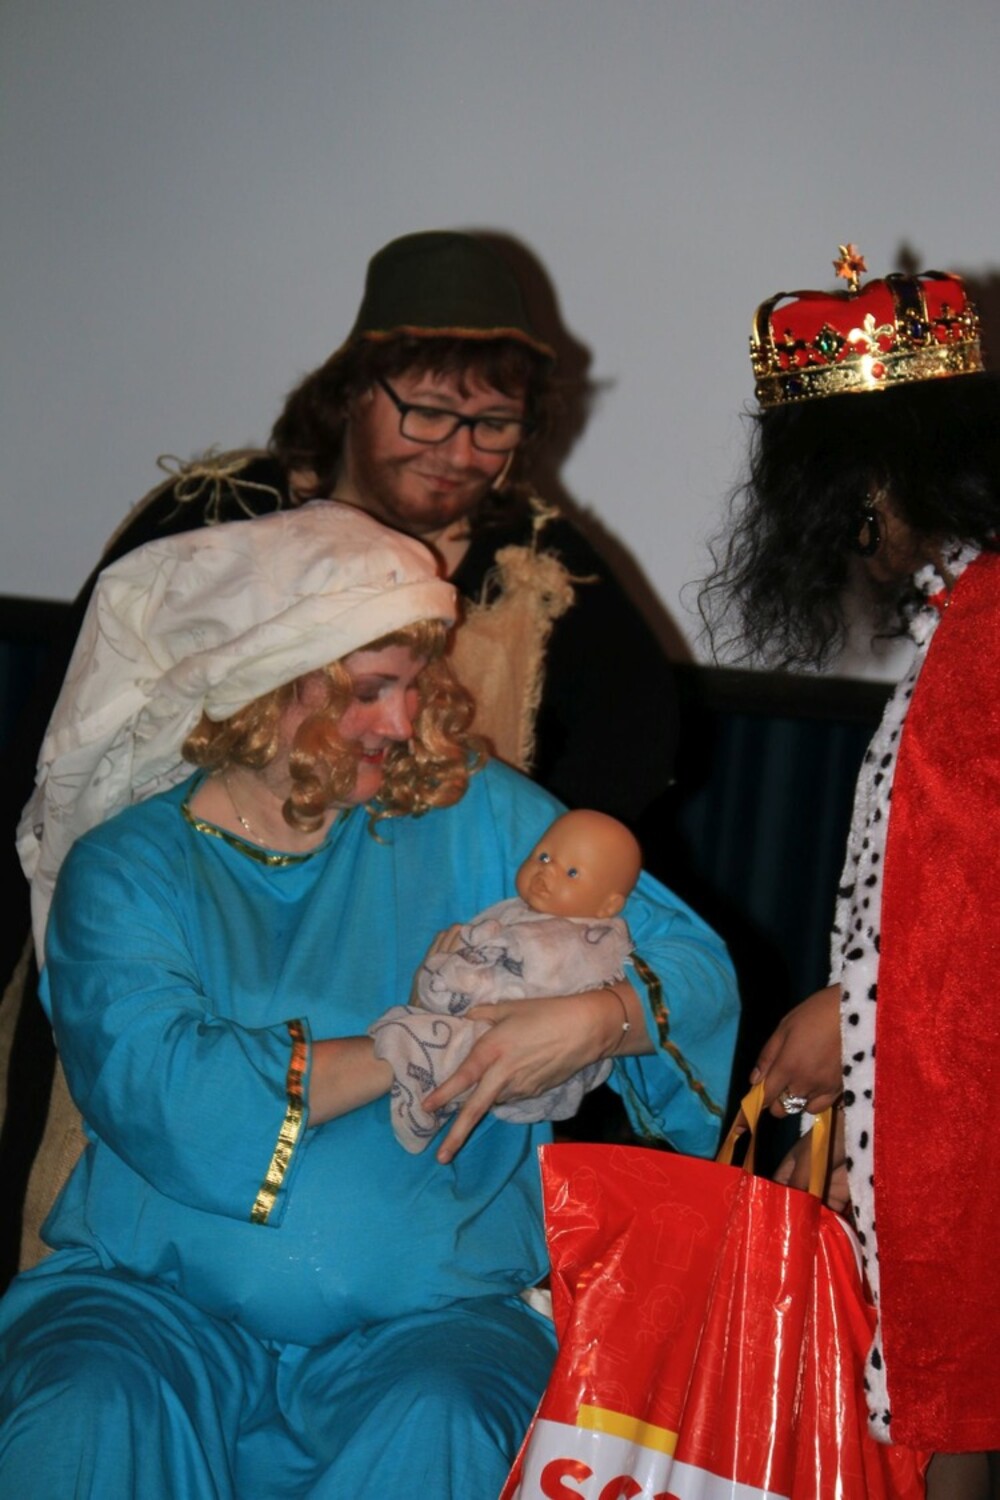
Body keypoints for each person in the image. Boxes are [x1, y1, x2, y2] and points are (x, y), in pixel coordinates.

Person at [0, 502, 737, 1498]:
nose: (400, 722)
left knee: (447, 1417)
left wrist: (587, 1019)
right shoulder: (128, 868)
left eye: (412, 685)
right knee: (89, 1407)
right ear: (263, 687)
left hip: (433, 1324)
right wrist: (410, 1047)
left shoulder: (472, 810)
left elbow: (691, 967)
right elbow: (165, 1090)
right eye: (369, 690)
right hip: (148, 1306)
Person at [0, 228, 681, 1285]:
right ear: (354, 388)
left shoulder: (542, 570)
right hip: (186, 953)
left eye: (494, 424)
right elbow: (84, 722)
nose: (459, 450)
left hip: (420, 959)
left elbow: (630, 767)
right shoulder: (221, 519)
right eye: (429, 411)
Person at [700, 246, 1000, 1497]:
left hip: (964, 1162)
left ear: (868, 486)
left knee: (949, 1429)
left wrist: (852, 1020)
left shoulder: (984, 638)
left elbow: (972, 939)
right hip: (931, 1116)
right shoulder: (968, 621)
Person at [371, 808, 641, 1151]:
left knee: (409, 1039)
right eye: (544, 856)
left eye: (572, 872)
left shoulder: (571, 943)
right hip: (495, 1038)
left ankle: (421, 1106)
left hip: (523, 1052)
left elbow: (508, 983)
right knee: (409, 1032)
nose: (546, 871)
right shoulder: (519, 910)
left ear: (608, 906)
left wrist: (449, 979)